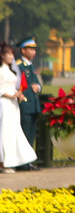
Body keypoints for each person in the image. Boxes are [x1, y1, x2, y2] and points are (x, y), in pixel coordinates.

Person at [0, 43, 38, 173]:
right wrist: (9, 95)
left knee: (13, 132)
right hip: (4, 103)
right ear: (2, 55)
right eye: (8, 54)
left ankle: (14, 160)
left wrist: (18, 94)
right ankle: (3, 162)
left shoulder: (11, 70)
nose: (11, 56)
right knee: (4, 132)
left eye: (12, 54)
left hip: (13, 104)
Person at [16, 37, 43, 165]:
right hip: (25, 106)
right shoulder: (19, 66)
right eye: (31, 49)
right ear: (23, 50)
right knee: (25, 135)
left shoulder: (31, 66)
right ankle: (23, 162)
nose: (34, 52)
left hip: (34, 106)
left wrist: (38, 88)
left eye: (34, 49)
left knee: (31, 135)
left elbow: (37, 84)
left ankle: (28, 161)